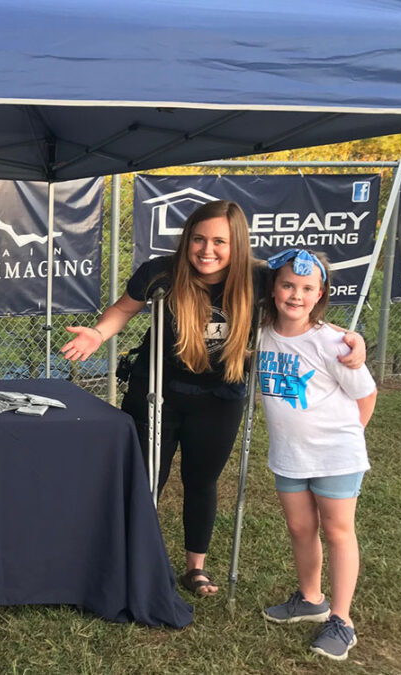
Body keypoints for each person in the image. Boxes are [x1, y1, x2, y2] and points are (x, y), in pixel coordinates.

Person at [60, 200, 366, 597]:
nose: (208, 250)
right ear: (187, 240)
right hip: (157, 393)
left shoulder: (259, 279)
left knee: (201, 481)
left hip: (221, 396)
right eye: (199, 239)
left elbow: (298, 308)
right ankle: (135, 562)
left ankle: (195, 569)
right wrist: (98, 334)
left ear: (236, 243)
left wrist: (346, 336)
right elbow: (124, 308)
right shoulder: (161, 274)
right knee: (145, 480)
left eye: (219, 241)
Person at [257, 249, 376, 661]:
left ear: (320, 293)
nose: (296, 295)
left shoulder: (335, 343)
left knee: (338, 530)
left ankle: (341, 620)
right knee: (299, 526)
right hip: (289, 455)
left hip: (336, 456)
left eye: (307, 288)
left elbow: (366, 395)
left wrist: (345, 440)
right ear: (272, 289)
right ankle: (311, 598)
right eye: (287, 285)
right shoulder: (262, 333)